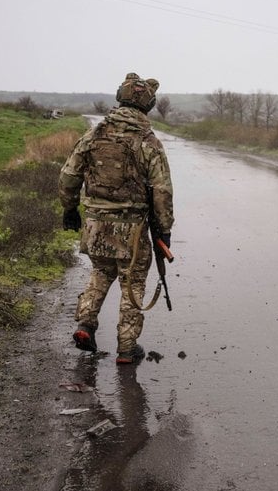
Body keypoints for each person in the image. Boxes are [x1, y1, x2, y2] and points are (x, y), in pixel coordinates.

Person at [59, 72, 174, 365]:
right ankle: (126, 347)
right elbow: (162, 190)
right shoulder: (149, 142)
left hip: (95, 224)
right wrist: (164, 231)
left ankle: (85, 325)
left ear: (119, 98)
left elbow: (69, 175)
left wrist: (69, 209)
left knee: (100, 272)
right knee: (132, 283)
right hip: (132, 231)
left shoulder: (94, 135)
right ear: (149, 106)